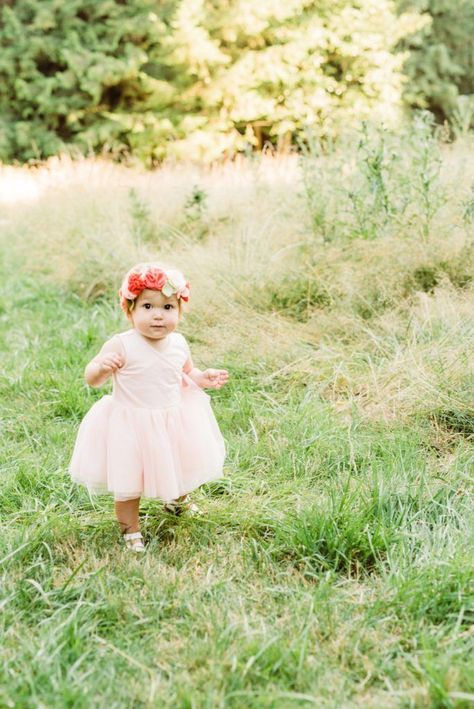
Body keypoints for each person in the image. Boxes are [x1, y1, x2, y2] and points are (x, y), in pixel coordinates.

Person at [70, 262, 228, 552]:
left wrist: (203, 378)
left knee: (176, 465)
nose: (158, 315)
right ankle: (131, 531)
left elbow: (187, 373)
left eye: (168, 308)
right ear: (129, 310)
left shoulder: (179, 343)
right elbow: (92, 378)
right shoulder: (122, 344)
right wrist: (101, 368)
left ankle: (177, 502)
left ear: (179, 311)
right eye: (147, 306)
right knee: (129, 481)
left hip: (170, 419)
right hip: (130, 426)